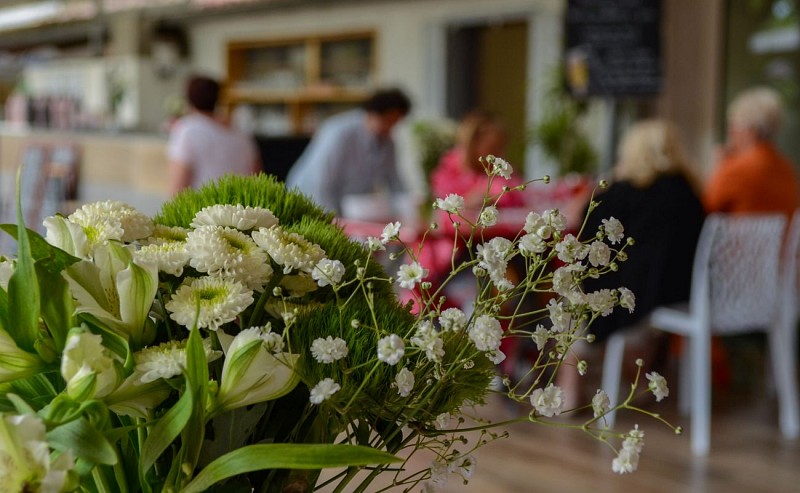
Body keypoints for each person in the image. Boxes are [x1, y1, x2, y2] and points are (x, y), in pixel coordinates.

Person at [583, 119, 706, 342]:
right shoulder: (689, 192)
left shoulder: (625, 193)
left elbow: (585, 219)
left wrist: (611, 180)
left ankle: (567, 376)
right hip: (682, 291)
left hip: (643, 297)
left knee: (573, 301)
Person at [285, 88, 412, 215]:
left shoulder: (387, 142)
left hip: (345, 207)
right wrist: (330, 220)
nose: (390, 128)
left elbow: (395, 182)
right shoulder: (339, 133)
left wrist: (409, 207)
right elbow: (320, 182)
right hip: (308, 199)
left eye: (395, 123)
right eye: (388, 121)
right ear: (373, 113)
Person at [705, 86, 799, 216]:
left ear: (751, 131)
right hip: (779, 236)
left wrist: (718, 166)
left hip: (737, 236)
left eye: (733, 127)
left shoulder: (736, 168)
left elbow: (707, 207)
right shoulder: (786, 168)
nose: (730, 134)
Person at [167, 75, 261, 195]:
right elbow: (257, 176)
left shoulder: (187, 130)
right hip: (241, 209)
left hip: (201, 210)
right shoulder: (240, 132)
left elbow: (178, 185)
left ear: (189, 99)